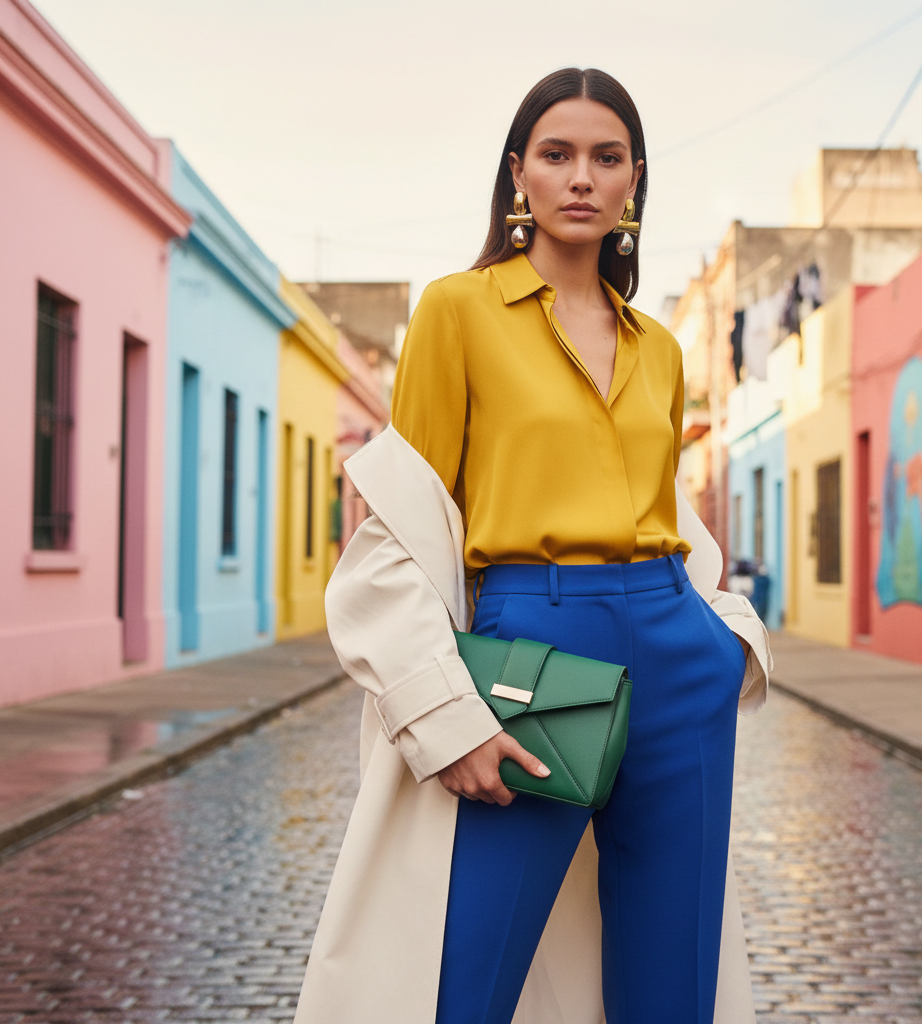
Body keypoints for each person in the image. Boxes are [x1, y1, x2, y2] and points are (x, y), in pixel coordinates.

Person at [293, 67, 771, 1024]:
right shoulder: (458, 311)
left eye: (607, 157)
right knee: (464, 979)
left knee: (673, 984)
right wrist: (447, 715)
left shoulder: (660, 348)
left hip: (679, 654)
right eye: (557, 154)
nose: (581, 177)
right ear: (519, 173)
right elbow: (404, 522)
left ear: (635, 178)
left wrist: (726, 645)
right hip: (534, 655)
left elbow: (672, 514)